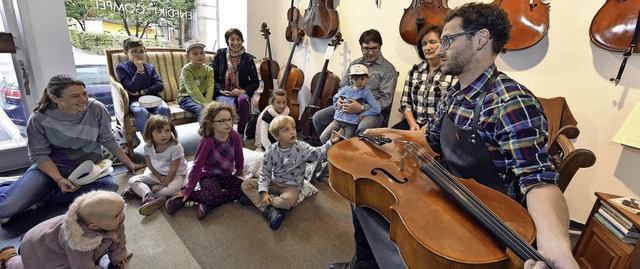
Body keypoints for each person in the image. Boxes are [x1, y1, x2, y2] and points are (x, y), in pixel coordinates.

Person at [332, 3, 580, 269]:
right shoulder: (455, 95)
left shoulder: (510, 102)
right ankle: (366, 263)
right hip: (448, 189)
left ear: (480, 39)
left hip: (484, 215)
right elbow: (431, 138)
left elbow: (539, 180)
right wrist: (389, 133)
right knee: (366, 194)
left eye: (448, 40)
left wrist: (556, 247)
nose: (439, 50)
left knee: (377, 209)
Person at [0, 75, 143, 221]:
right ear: (55, 98)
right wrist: (59, 179)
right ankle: (28, 189)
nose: (83, 99)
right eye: (75, 96)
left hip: (87, 171)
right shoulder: (38, 118)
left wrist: (129, 163)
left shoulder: (96, 108)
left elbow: (107, 139)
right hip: (51, 170)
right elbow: (39, 155)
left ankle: (44, 197)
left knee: (110, 186)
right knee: (5, 209)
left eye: (84, 93)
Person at [240, 115, 342, 230]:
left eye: (293, 128)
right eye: (286, 130)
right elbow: (265, 172)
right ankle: (268, 210)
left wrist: (330, 143)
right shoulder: (271, 150)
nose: (292, 132)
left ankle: (261, 203)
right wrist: (263, 192)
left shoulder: (302, 147)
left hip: (292, 186)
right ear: (277, 136)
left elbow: (318, 154)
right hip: (274, 182)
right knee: (246, 184)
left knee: (286, 202)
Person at [0, 190, 132, 269]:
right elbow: (81, 266)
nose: (122, 215)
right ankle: (9, 258)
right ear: (94, 227)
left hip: (54, 243)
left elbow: (119, 239)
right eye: (117, 215)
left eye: (122, 210)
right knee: (27, 266)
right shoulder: (78, 241)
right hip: (41, 251)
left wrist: (118, 255)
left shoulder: (114, 221)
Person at [165, 102, 244, 220]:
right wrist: (188, 190)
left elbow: (239, 156)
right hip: (208, 176)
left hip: (226, 174)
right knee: (215, 196)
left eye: (229, 119)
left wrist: (239, 172)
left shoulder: (235, 136)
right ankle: (184, 198)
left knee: (245, 188)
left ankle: (207, 203)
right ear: (211, 123)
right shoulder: (207, 141)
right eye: (222, 121)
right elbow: (197, 166)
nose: (228, 123)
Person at [312, 29, 397, 137]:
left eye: (374, 48)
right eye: (366, 48)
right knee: (318, 117)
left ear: (380, 46)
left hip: (373, 111)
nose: (370, 52)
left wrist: (361, 108)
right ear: (361, 48)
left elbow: (385, 101)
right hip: (346, 104)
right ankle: (331, 149)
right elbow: (343, 85)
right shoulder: (355, 63)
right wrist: (340, 99)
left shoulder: (388, 69)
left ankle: (351, 152)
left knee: (363, 128)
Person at [392, 25, 454, 131]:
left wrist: (429, 128)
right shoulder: (414, 70)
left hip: (439, 128)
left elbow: (451, 108)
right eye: (424, 44)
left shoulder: (452, 72)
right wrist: (412, 123)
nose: (427, 47)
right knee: (388, 139)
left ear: (443, 43)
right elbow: (405, 103)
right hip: (414, 124)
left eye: (432, 42)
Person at [124, 115, 187, 216]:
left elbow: (173, 169)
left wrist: (164, 184)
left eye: (167, 131)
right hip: (158, 173)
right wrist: (159, 177)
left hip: (176, 175)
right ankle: (148, 196)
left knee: (171, 191)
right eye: (159, 131)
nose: (164, 135)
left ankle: (141, 192)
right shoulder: (148, 146)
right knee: (132, 180)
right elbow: (149, 164)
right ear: (150, 132)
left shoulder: (175, 147)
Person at [211, 28, 260, 137]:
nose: (235, 42)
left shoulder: (248, 58)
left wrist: (243, 90)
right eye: (232, 39)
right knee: (225, 105)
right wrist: (220, 90)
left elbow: (255, 82)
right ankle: (225, 135)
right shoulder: (220, 54)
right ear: (227, 41)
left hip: (240, 91)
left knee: (243, 101)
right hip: (224, 92)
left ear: (242, 41)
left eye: (238, 39)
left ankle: (241, 134)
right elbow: (211, 77)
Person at [115, 36, 171, 133]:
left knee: (164, 109)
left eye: (141, 51)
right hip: (135, 101)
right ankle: (149, 141)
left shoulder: (150, 68)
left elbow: (160, 85)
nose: (138, 54)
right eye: (134, 51)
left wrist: (143, 91)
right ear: (125, 52)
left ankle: (165, 138)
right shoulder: (121, 68)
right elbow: (131, 88)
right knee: (141, 112)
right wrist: (139, 70)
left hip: (154, 98)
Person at [320, 64, 380, 143]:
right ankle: (329, 153)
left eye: (362, 79)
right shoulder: (346, 89)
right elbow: (335, 98)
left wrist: (363, 113)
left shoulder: (366, 92)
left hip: (351, 124)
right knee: (324, 138)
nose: (359, 82)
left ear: (367, 78)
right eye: (356, 79)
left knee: (346, 144)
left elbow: (377, 109)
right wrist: (338, 102)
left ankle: (338, 154)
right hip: (337, 120)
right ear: (351, 78)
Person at [177, 40, 215, 121]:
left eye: (202, 53)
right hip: (186, 97)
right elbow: (193, 90)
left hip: (203, 97)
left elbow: (210, 87)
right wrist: (206, 104)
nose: (199, 56)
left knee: (219, 108)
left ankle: (218, 132)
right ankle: (204, 132)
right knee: (200, 109)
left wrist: (208, 102)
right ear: (188, 56)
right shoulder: (186, 70)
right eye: (195, 54)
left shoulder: (209, 70)